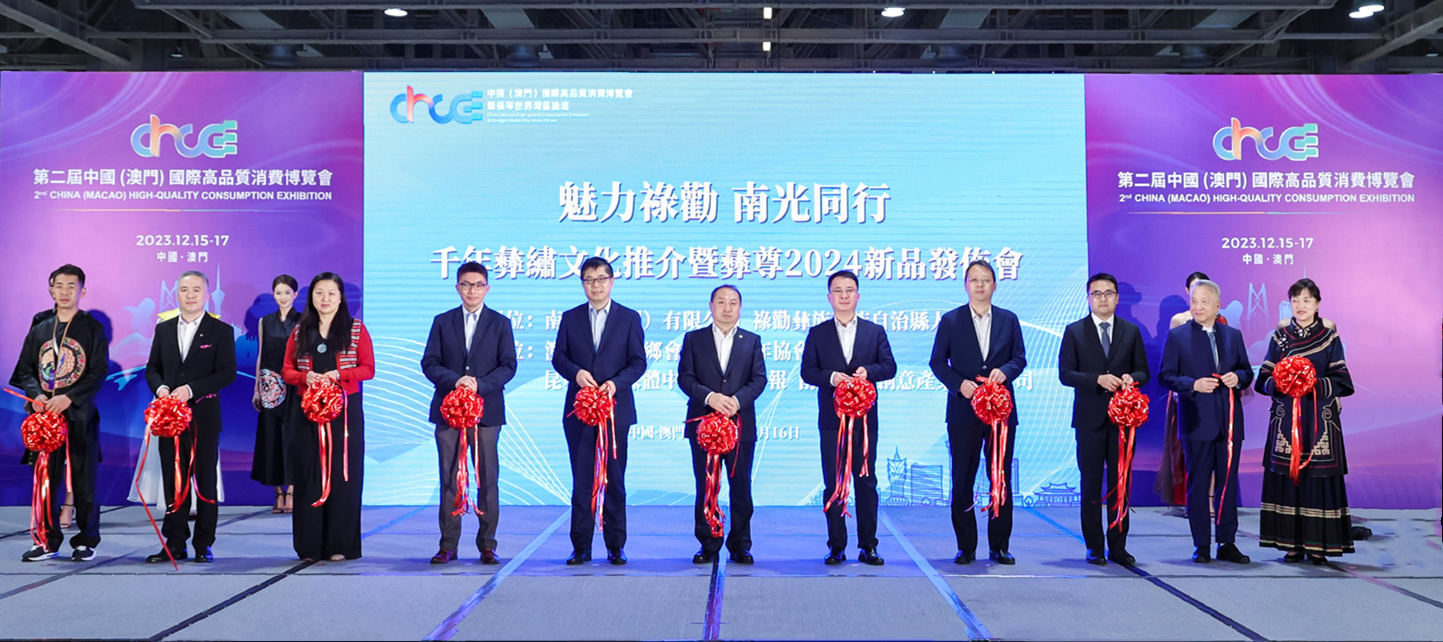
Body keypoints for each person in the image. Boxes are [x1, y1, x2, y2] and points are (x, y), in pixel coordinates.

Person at [929, 260, 1028, 565]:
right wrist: (959, 385)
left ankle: (999, 546)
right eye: (974, 280)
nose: (980, 285)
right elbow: (937, 362)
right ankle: (966, 547)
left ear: (995, 285)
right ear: (966, 285)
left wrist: (1006, 371)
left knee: (1000, 477)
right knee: (963, 478)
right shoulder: (951, 320)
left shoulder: (1009, 319)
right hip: (963, 412)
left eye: (986, 280)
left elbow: (1020, 358)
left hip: (1000, 412)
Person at [551, 257, 646, 565]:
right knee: (582, 479)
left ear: (612, 282)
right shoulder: (570, 318)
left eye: (601, 279)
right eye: (589, 280)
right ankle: (581, 546)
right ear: (583, 284)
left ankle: (615, 545)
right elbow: (559, 357)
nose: (596, 285)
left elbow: (638, 362)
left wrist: (615, 384)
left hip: (615, 412)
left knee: (614, 479)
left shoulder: (629, 318)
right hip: (579, 412)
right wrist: (577, 374)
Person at [420, 262, 516, 565]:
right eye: (465, 284)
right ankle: (448, 545)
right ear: (457, 287)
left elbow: (508, 365)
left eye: (477, 285)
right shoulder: (442, 321)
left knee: (487, 479)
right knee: (450, 477)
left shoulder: (500, 323)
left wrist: (479, 385)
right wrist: (456, 381)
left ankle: (487, 544)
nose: (471, 290)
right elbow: (429, 362)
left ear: (487, 288)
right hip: (448, 411)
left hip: (486, 413)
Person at [801, 270, 897, 566]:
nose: (844, 295)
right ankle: (836, 546)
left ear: (858, 295)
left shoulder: (874, 331)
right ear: (829, 297)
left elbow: (890, 367)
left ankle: (868, 546)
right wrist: (831, 378)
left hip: (865, 424)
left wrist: (869, 372)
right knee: (834, 483)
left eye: (849, 290)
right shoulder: (818, 333)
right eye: (838, 291)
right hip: (833, 423)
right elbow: (807, 372)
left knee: (866, 483)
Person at [1255, 278, 1354, 564]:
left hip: (1320, 420)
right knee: (1288, 477)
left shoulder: (1329, 338)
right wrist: (1284, 382)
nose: (1301, 305)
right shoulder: (1280, 337)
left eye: (1307, 300)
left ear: (1317, 304)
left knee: (1318, 479)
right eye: (1295, 300)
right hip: (1286, 419)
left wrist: (1311, 384)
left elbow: (1343, 381)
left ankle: (1318, 545)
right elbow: (1263, 379)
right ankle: (1291, 544)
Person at [15, 265, 109, 562]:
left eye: (71, 286)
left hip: (79, 413)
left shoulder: (92, 328)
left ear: (82, 291)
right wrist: (37, 395)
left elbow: (98, 372)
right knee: (46, 479)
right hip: (45, 417)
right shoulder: (40, 328)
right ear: (51, 290)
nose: (65, 291)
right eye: (59, 286)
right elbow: (25, 370)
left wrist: (69, 398)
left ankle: (86, 541)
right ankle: (46, 540)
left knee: (84, 480)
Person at [144, 270, 237, 564]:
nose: (191, 295)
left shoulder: (220, 330)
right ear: (177, 294)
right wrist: (161, 388)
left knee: (204, 482)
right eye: (185, 290)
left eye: (197, 289)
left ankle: (203, 544)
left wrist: (191, 390)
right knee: (174, 481)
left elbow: (227, 373)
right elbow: (152, 368)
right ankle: (174, 543)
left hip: (203, 419)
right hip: (169, 420)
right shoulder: (164, 329)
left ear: (206, 295)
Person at [1058, 273, 1150, 566]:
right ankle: (1094, 546)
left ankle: (1118, 546)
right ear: (1088, 298)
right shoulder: (1075, 331)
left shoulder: (1130, 331)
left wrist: (1131, 378)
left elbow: (1144, 371)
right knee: (1091, 484)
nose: (1103, 298)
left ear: (1117, 298)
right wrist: (1097, 379)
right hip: (1090, 420)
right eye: (1096, 294)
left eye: (1108, 293)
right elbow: (1065, 374)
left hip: (1123, 422)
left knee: (1120, 484)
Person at [282, 272, 374, 562]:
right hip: (307, 412)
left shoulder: (355, 329)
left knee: (343, 474)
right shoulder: (300, 331)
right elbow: (286, 370)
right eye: (319, 292)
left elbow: (368, 368)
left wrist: (340, 374)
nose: (325, 298)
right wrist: (304, 377)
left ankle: (340, 545)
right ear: (311, 297)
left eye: (331, 293)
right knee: (309, 474)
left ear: (341, 297)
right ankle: (309, 546)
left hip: (345, 413)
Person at [1159, 279, 1252, 564]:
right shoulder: (1178, 336)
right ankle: (1201, 544)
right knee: (1198, 486)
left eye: (1204, 301)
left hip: (1230, 423)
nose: (1197, 306)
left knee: (1227, 484)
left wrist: (1238, 377)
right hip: (1197, 422)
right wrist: (1193, 384)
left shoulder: (1232, 335)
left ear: (1217, 305)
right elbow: (1165, 376)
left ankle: (1227, 542)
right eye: (1194, 301)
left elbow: (1247, 372)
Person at [678, 285, 767, 565]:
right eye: (721, 302)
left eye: (733, 302)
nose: (727, 308)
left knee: (740, 487)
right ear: (711, 306)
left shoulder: (751, 340)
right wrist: (710, 397)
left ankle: (740, 544)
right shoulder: (694, 339)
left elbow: (759, 379)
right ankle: (708, 543)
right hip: (703, 426)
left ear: (740, 307)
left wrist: (736, 401)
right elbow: (685, 377)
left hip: (741, 426)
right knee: (706, 485)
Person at [1157, 271, 1227, 512]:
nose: (1199, 302)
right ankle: (1192, 500)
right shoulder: (1179, 322)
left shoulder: (1222, 323)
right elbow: (1169, 367)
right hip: (1186, 393)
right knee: (1188, 450)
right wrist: (1185, 387)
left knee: (1217, 450)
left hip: (1216, 397)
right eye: (1195, 292)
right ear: (1188, 292)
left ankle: (1210, 499)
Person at [252, 275, 301, 514]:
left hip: (295, 385)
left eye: (287, 292)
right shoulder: (265, 321)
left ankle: (292, 491)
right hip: (270, 386)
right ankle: (277, 492)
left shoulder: (304, 321)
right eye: (278, 293)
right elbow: (261, 354)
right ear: (273, 295)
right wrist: (257, 388)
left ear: (295, 295)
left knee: (292, 437)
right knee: (271, 438)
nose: (283, 297)